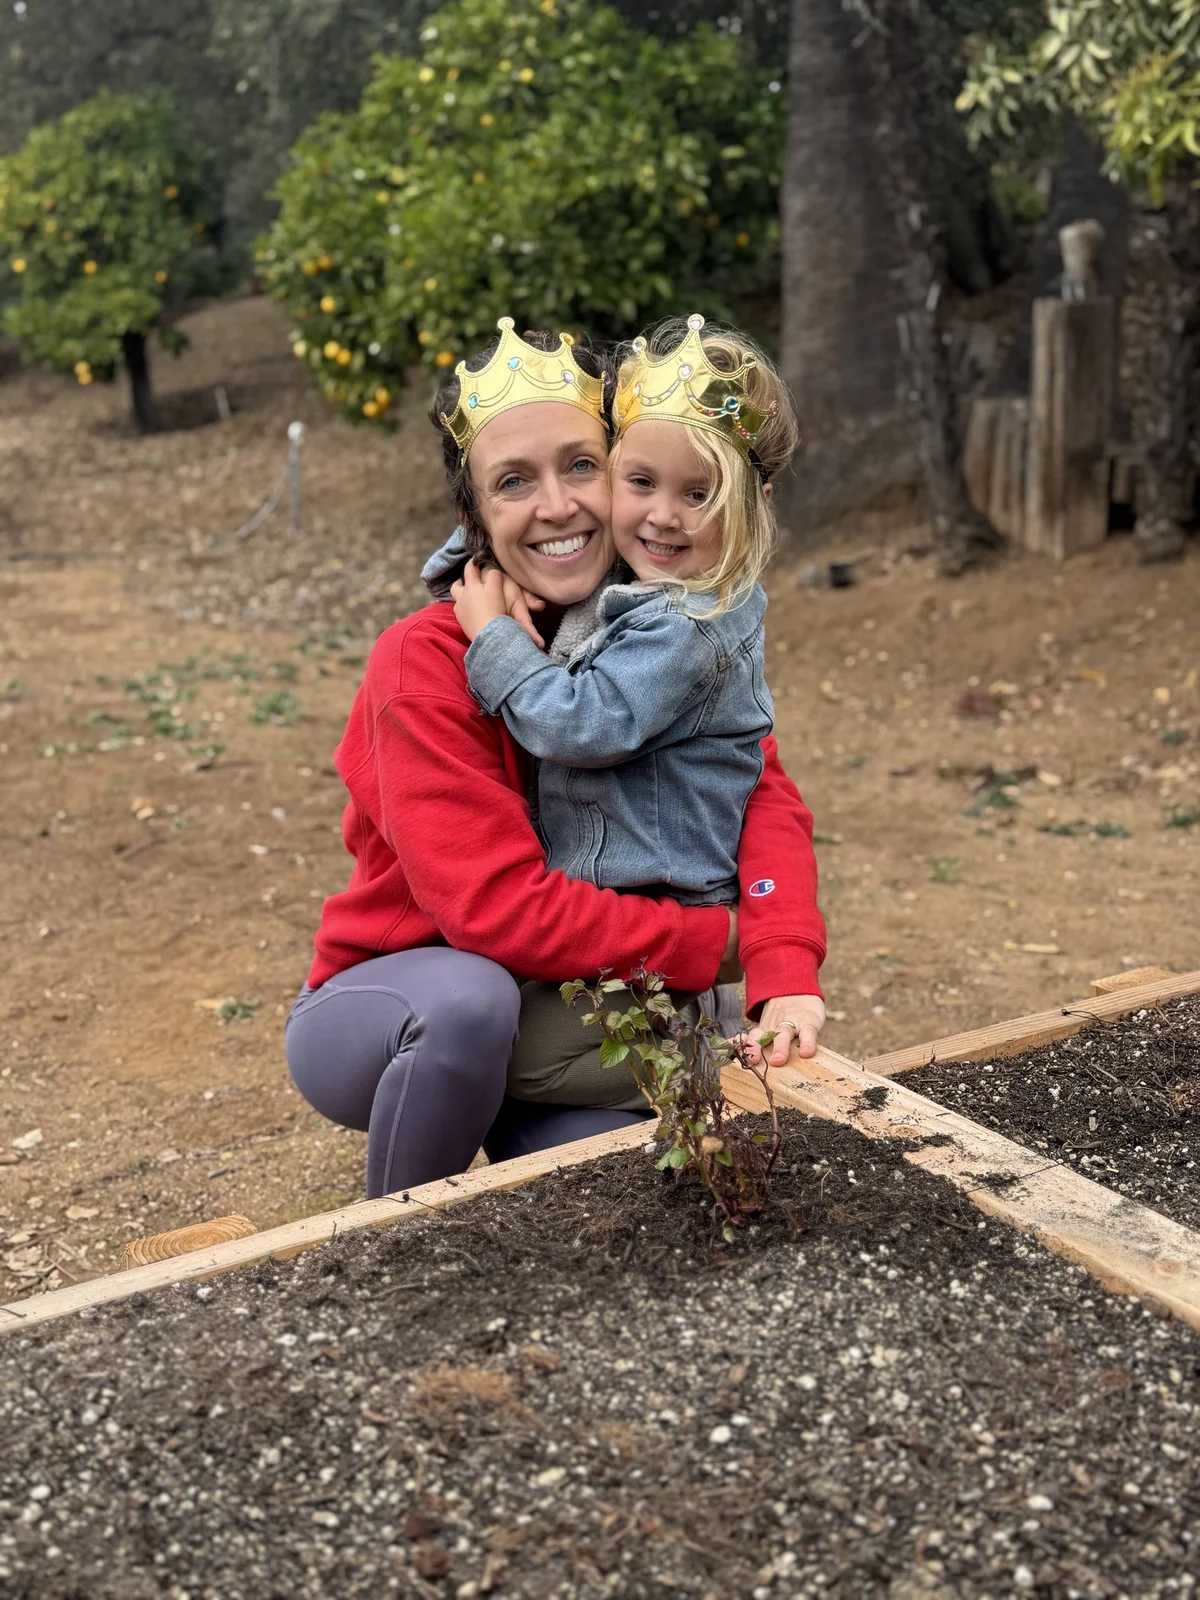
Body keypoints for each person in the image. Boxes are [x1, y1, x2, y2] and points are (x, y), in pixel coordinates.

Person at [285, 318, 826, 1200]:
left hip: (566, 1000)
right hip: (400, 1007)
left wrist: (779, 952)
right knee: (471, 1004)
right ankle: (390, 1243)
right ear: (474, 517)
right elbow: (495, 912)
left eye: (582, 466)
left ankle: (523, 1145)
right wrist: (714, 943)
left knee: (618, 1178)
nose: (558, 506)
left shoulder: (647, 639)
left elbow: (763, 793)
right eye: (512, 482)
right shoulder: (422, 665)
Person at [450, 315, 817, 1112]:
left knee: (512, 1065)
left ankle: (718, 1070)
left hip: (659, 917)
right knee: (494, 1039)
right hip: (614, 917)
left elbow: (581, 726)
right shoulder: (650, 578)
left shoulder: (687, 626)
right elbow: (535, 516)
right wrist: (476, 552)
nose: (664, 517)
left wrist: (491, 638)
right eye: (641, 483)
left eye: (700, 495)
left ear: (753, 504)